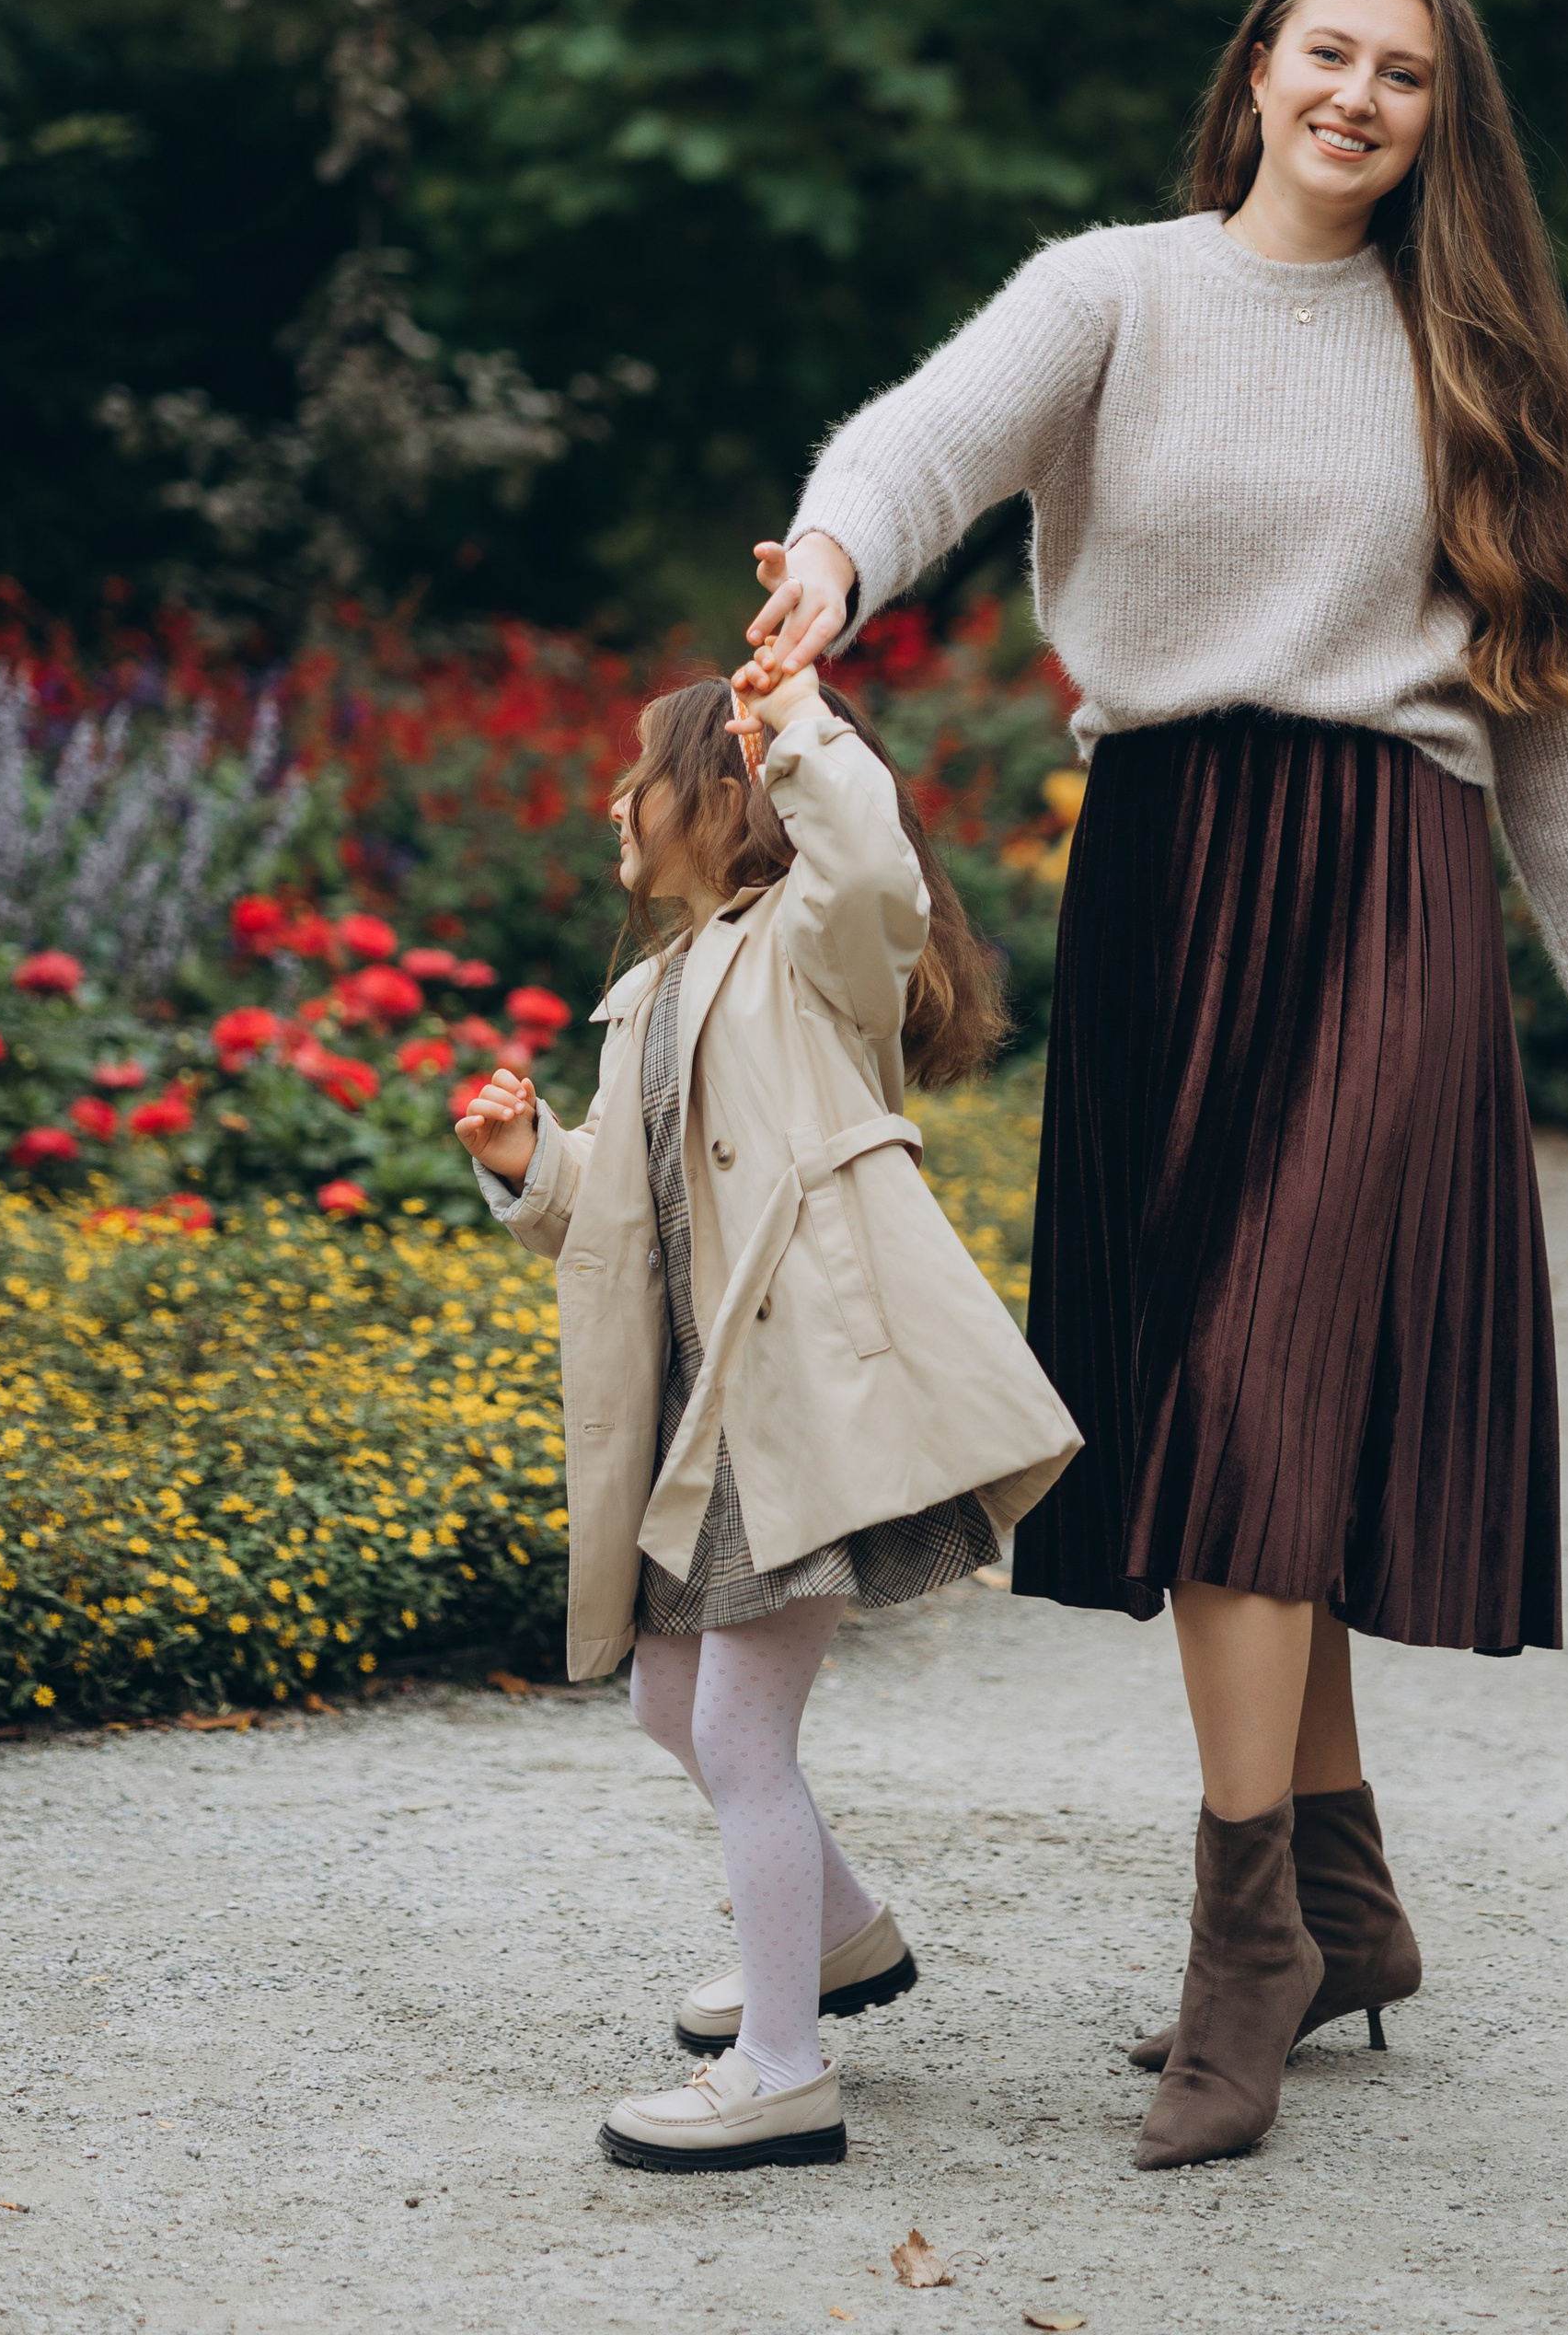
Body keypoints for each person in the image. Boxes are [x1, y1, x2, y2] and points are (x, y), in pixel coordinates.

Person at [747, 0, 1568, 2172]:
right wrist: (826, 555)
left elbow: (1554, 696)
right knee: (1210, 1408)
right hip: (1169, 885)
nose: (1356, 95)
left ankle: (1243, 1944)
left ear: (1434, 120)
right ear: (1259, 70)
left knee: (1269, 1395)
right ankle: (1350, 1891)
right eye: (1324, 53)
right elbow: (923, 443)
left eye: (1401, 73)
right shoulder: (1117, 295)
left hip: (1384, 886)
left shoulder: (1474, 360)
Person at [455, 659, 1078, 2177]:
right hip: (709, 1406)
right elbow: (638, 1209)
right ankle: (842, 1933)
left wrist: (793, 715)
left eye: (642, 775)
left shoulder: (816, 949)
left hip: (802, 1397)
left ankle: (783, 2072)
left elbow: (870, 862)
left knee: (737, 1725)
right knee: (671, 1707)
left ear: (731, 798)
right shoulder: (660, 988)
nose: (615, 800)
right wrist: (537, 1159)